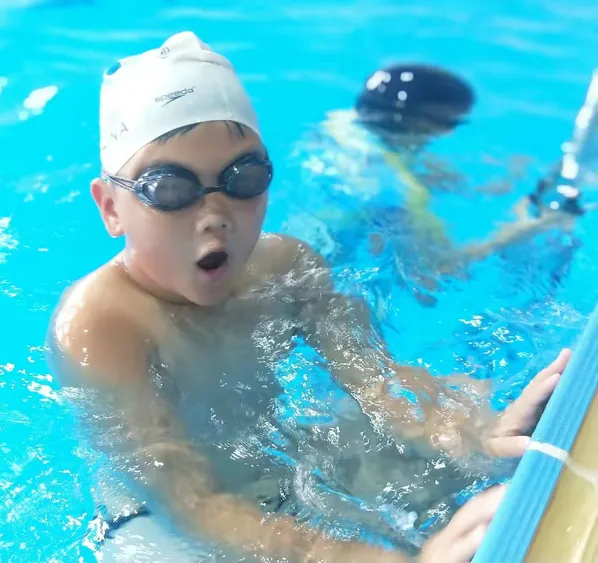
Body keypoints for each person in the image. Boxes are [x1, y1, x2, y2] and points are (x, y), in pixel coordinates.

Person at [48, 31, 574, 562]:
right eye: (170, 189)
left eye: (243, 177)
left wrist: (476, 436)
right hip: (161, 523)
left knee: (438, 469)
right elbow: (191, 504)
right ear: (110, 208)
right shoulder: (102, 323)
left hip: (277, 472)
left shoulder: (286, 267)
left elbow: (379, 384)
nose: (214, 214)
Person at [297, 64, 579, 307]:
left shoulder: (340, 126)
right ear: (425, 124)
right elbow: (433, 279)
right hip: (335, 286)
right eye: (451, 124)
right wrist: (525, 227)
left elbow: (380, 172)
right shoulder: (398, 194)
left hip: (308, 242)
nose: (447, 133)